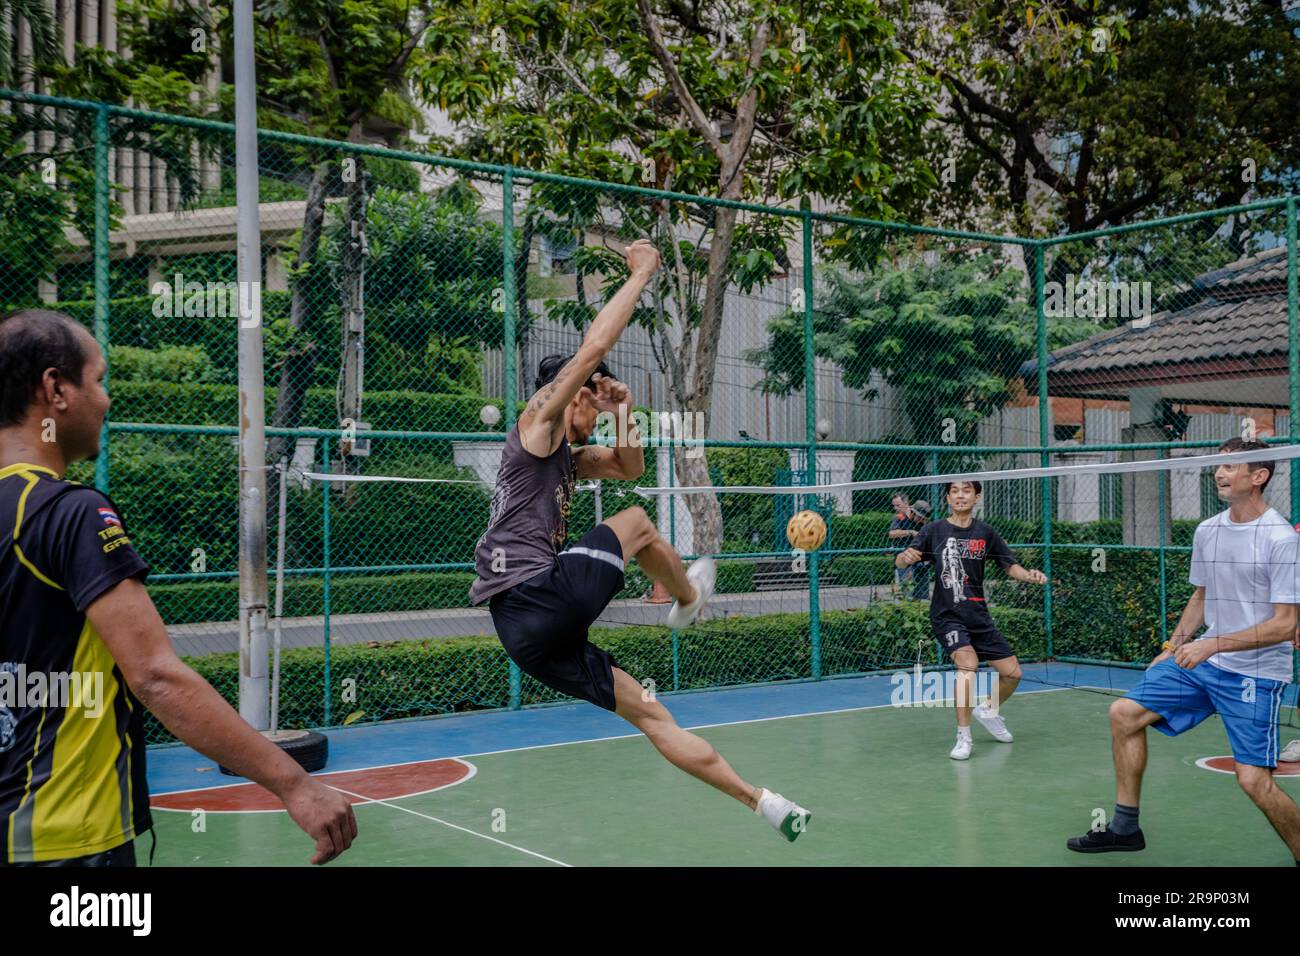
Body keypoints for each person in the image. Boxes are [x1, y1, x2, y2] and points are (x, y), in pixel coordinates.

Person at [468, 239, 811, 841]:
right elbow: (595, 345)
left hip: (525, 635)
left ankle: (763, 802)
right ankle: (688, 598)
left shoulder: (565, 457)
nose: (598, 415)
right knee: (635, 523)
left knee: (652, 714)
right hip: (535, 594)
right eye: (595, 402)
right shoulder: (537, 423)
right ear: (571, 394)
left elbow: (627, 465)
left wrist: (625, 407)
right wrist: (644, 272)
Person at [0, 309, 357, 866]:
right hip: (61, 839)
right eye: (98, 380)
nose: (107, 400)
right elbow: (156, 677)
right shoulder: (70, 513)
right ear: (56, 389)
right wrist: (296, 784)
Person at [1068, 438, 1300, 862]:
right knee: (1124, 713)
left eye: (1230, 467)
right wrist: (1173, 644)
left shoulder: (1280, 539)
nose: (1219, 473)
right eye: (1217, 465)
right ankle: (1124, 827)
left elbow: (1286, 625)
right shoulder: (1208, 530)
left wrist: (1210, 644)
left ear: (1259, 476)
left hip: (1255, 673)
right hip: (1201, 663)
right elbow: (1201, 597)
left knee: (1253, 781)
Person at [895, 480, 1047, 760]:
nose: (960, 496)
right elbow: (901, 563)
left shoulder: (986, 533)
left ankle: (987, 711)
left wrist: (1028, 575)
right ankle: (963, 737)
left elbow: (1009, 565)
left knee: (1013, 673)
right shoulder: (934, 530)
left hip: (978, 615)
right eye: (955, 491)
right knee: (968, 666)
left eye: (967, 491)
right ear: (948, 497)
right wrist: (904, 558)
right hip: (947, 615)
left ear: (976, 497)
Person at [887, 492, 915, 598]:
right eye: (894, 505)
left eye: (898, 505)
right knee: (905, 586)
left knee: (919, 587)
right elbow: (891, 533)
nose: (895, 508)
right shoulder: (898, 518)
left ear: (906, 503)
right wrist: (910, 532)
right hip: (902, 556)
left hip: (917, 555)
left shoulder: (916, 515)